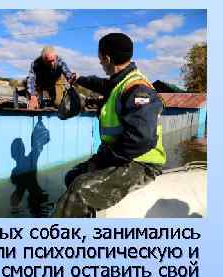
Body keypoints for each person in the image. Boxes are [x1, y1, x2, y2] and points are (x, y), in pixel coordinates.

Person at [54, 32, 166, 217]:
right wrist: (79, 80)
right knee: (72, 176)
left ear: (106, 58)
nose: (100, 63)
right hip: (121, 156)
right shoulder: (119, 82)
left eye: (100, 59)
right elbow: (100, 84)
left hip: (141, 163)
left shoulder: (138, 89)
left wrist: (102, 160)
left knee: (80, 190)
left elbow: (140, 140)